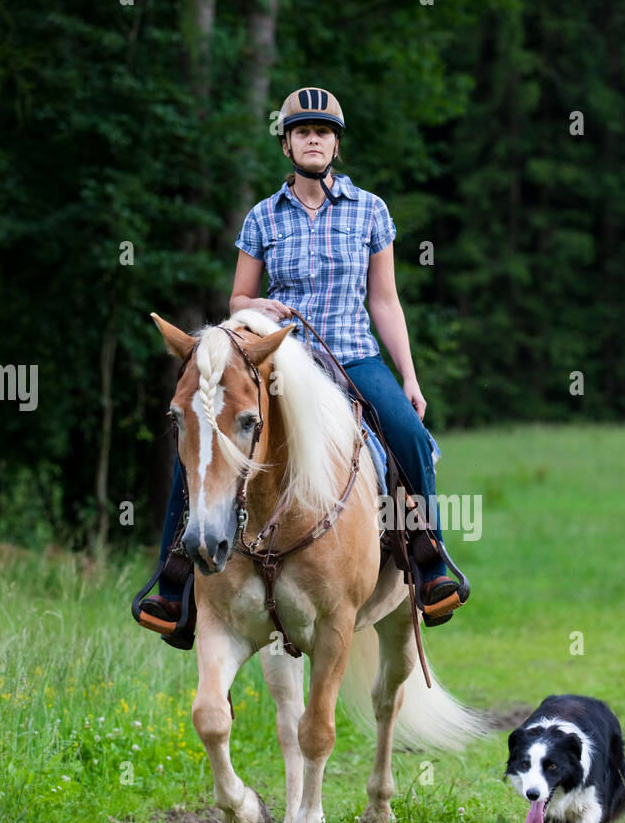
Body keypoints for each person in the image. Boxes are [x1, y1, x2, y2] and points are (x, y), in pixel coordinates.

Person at [140, 86, 467, 642]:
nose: (312, 139)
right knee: (201, 440)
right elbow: (237, 300)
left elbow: (384, 301)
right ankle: (174, 582)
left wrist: (408, 376)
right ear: (287, 144)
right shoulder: (262, 216)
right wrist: (254, 306)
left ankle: (429, 560)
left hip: (352, 358)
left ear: (335, 144)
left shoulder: (370, 210)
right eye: (301, 132)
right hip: (279, 364)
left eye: (322, 132)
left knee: (408, 435)